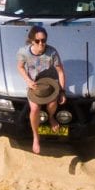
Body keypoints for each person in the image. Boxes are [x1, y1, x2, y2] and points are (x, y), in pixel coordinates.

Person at [18, 25, 65, 154]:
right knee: (34, 108)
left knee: (53, 104)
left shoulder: (52, 52)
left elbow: (60, 72)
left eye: (43, 40)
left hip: (50, 84)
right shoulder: (23, 52)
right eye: (37, 40)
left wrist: (62, 91)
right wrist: (28, 80)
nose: (41, 43)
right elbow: (20, 67)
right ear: (32, 41)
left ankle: (51, 117)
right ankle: (36, 136)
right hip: (35, 85)